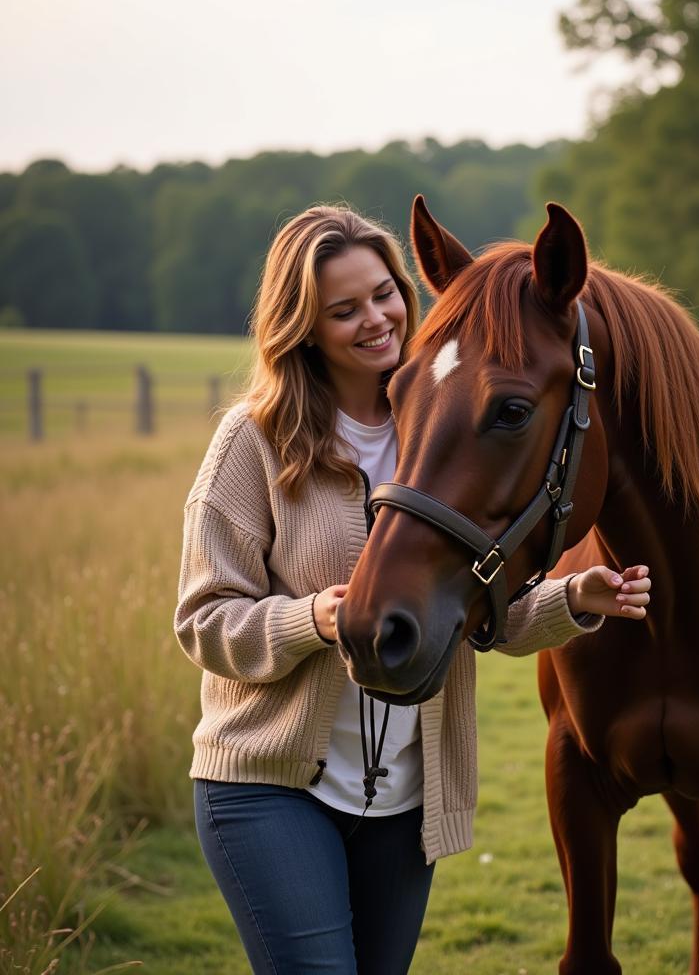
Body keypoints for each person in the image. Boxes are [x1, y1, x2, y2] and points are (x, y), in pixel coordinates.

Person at [174, 204, 652, 975]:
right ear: (304, 325)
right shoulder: (255, 440)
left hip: (402, 802)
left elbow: (471, 611)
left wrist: (571, 600)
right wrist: (313, 620)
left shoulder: (439, 421)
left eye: (385, 292)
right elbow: (202, 621)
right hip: (269, 787)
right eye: (343, 308)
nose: (376, 319)